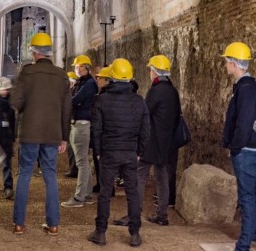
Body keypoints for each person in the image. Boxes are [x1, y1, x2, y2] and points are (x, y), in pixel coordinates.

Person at [11, 33, 71, 236]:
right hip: (52, 132)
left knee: (25, 174)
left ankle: (19, 223)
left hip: (29, 133)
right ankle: (53, 224)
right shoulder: (62, 75)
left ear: (34, 52)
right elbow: (66, 109)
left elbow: (16, 103)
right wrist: (64, 136)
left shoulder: (27, 73)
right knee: (50, 176)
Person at [88, 58, 149, 248]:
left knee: (105, 193)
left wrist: (98, 151)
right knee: (132, 193)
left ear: (112, 77)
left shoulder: (102, 100)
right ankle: (135, 234)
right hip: (130, 153)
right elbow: (145, 130)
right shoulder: (139, 102)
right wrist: (139, 151)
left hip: (109, 153)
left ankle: (100, 232)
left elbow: (96, 129)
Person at [113, 55, 180, 227]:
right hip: (167, 143)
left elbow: (144, 113)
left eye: (150, 70)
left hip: (151, 142)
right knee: (162, 177)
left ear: (155, 72)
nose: (149, 73)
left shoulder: (156, 91)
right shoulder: (173, 91)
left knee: (139, 175)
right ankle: (162, 215)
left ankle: (133, 215)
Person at [221, 42, 256, 251]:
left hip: (246, 150)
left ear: (233, 63)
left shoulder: (246, 89)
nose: (225, 65)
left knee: (247, 195)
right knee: (255, 192)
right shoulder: (248, 87)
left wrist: (235, 146)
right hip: (252, 148)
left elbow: (244, 122)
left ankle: (244, 245)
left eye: (226, 61)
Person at [62, 55, 98, 208]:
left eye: (81, 66)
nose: (78, 69)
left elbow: (74, 101)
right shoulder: (83, 83)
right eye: (76, 67)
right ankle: (88, 194)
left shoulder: (88, 84)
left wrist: (70, 93)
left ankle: (79, 197)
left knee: (81, 162)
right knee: (83, 161)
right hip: (80, 123)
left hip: (82, 125)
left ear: (87, 68)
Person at [65, 71, 79, 179]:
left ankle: (75, 168)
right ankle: (73, 167)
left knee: (74, 146)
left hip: (74, 121)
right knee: (71, 146)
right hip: (70, 121)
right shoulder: (69, 91)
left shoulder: (74, 92)